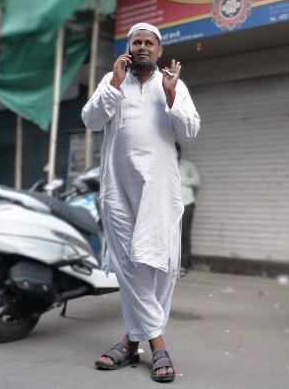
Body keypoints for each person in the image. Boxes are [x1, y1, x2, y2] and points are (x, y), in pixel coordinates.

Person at [82, 22, 200, 382]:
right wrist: (115, 85)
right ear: (129, 48)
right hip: (117, 188)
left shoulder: (174, 86)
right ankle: (157, 344)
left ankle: (131, 343)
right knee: (130, 266)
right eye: (137, 42)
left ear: (159, 50)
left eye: (150, 42)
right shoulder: (112, 79)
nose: (143, 47)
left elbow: (190, 131)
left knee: (157, 267)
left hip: (159, 190)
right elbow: (90, 120)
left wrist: (169, 95)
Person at [176, 142, 201, 276]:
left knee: (184, 234)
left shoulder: (188, 166)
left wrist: (179, 179)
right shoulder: (165, 166)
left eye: (176, 151)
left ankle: (184, 265)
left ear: (180, 152)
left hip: (186, 203)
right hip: (169, 206)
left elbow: (197, 181)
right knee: (171, 235)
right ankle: (172, 264)